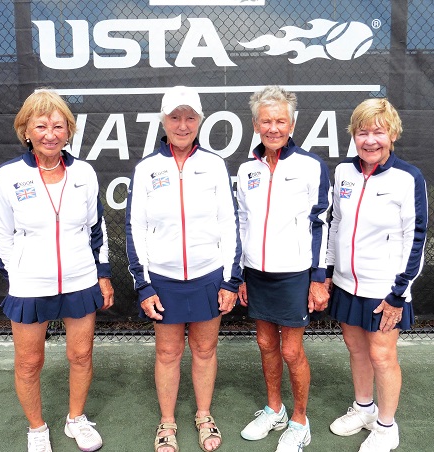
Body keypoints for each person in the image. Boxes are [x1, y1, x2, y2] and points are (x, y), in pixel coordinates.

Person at [0, 89, 114, 452]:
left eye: (58, 126)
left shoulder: (85, 173)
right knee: (30, 362)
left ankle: (76, 419)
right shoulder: (9, 176)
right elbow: (3, 234)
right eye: (41, 125)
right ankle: (37, 429)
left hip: (80, 278)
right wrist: (18, 276)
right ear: (26, 130)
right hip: (30, 284)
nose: (50, 133)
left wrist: (102, 274)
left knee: (81, 355)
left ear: (68, 131)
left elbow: (97, 228)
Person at [125, 86, 243, 452]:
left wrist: (230, 280)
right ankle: (167, 422)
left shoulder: (214, 165)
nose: (182, 124)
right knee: (168, 353)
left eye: (190, 117)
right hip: (163, 279)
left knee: (206, 351)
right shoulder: (147, 169)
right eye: (175, 117)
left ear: (200, 121)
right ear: (163, 121)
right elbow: (135, 228)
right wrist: (144, 286)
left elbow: (230, 224)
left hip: (209, 276)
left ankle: (204, 415)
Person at [325, 98, 428, 452]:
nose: (370, 140)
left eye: (378, 132)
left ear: (393, 134)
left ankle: (386, 426)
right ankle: (364, 408)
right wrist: (328, 270)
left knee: (382, 356)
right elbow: (335, 222)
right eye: (362, 132)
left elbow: (416, 236)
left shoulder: (408, 178)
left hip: (386, 288)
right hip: (345, 282)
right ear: (353, 135)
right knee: (356, 349)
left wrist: (399, 292)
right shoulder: (343, 173)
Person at [236, 85, 331, 452]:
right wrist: (242, 273)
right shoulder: (247, 170)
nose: (273, 127)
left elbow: (320, 223)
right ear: (256, 125)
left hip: (295, 274)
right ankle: (274, 409)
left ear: (292, 123)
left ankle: (300, 421)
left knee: (291, 351)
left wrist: (317, 279)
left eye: (280, 120)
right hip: (256, 273)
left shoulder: (310, 166)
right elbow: (242, 222)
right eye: (266, 120)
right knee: (264, 343)